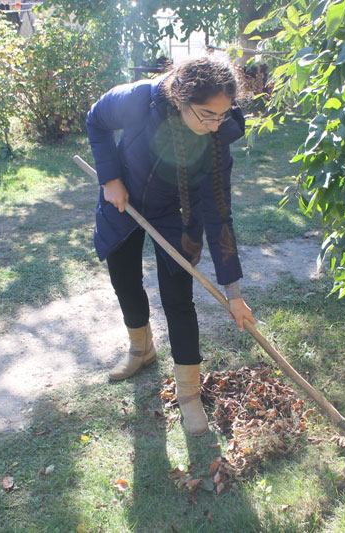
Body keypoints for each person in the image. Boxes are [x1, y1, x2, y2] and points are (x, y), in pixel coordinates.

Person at [86, 54, 256, 436]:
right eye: (207, 116)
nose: (216, 126)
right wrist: (109, 177)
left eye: (222, 116)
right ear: (181, 100)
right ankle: (141, 351)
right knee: (125, 282)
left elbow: (219, 215)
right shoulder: (139, 100)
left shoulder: (217, 141)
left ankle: (189, 394)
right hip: (123, 199)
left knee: (178, 298)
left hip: (178, 214)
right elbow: (96, 119)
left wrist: (234, 292)